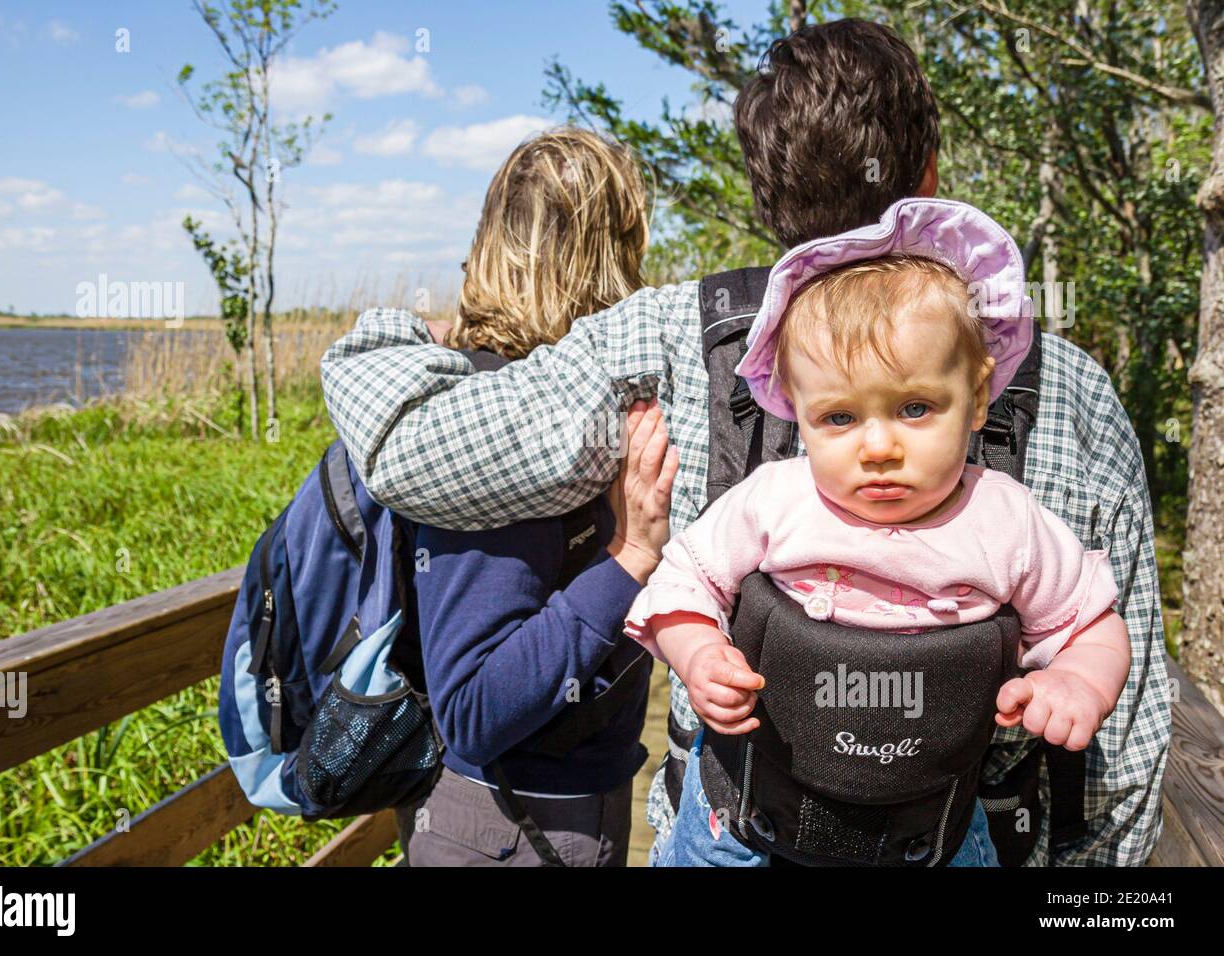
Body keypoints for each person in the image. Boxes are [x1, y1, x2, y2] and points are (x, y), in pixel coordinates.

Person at [320, 20, 1171, 866]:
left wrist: (395, 331)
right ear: (930, 179)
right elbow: (1122, 761)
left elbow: (406, 450)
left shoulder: (665, 340)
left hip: (737, 819)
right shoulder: (1056, 382)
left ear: (767, 196)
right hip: (955, 829)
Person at [623, 199, 1132, 866]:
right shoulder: (778, 499)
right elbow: (684, 578)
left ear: (977, 398)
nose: (880, 446)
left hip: (929, 822)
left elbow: (1089, 620)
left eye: (915, 408)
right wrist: (697, 653)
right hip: (748, 814)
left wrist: (1078, 681)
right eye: (839, 418)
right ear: (797, 413)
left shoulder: (1005, 521)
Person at [393, 128, 678, 866]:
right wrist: (631, 556)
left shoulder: (563, 398)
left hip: (552, 811)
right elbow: (475, 709)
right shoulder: (500, 412)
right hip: (508, 823)